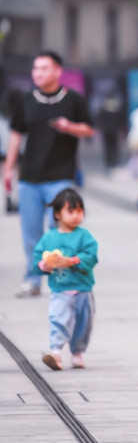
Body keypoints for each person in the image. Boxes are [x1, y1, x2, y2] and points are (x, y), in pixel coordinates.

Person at [2, 51, 94, 298]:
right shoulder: (27, 101)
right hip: (29, 178)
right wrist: (8, 167)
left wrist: (69, 127)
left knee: (60, 230)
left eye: (44, 68)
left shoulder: (73, 100)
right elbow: (16, 135)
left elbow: (88, 130)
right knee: (31, 234)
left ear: (57, 71)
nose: (38, 73)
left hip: (61, 176)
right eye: (35, 69)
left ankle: (63, 278)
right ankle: (32, 281)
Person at [33, 188, 98, 371]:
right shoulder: (49, 238)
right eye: (71, 211)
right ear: (57, 214)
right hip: (60, 289)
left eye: (79, 211)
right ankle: (56, 352)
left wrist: (72, 261)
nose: (76, 215)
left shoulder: (84, 236)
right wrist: (44, 265)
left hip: (83, 289)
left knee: (83, 323)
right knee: (57, 318)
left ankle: (77, 352)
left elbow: (91, 256)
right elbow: (37, 260)